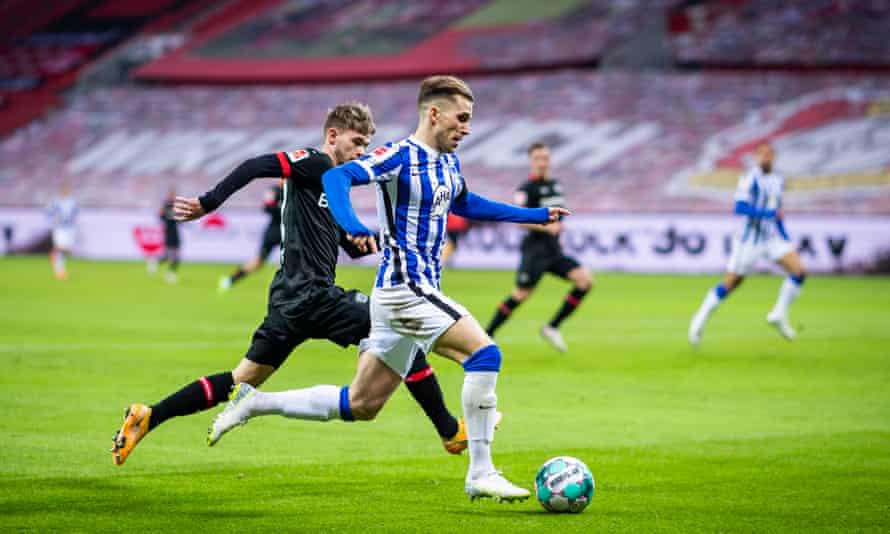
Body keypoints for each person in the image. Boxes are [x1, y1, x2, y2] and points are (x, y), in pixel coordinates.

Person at [209, 76, 568, 502]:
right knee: (485, 353)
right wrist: (353, 226)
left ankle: (253, 403)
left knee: (363, 403)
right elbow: (338, 179)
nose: (467, 128)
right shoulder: (399, 156)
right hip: (405, 288)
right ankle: (481, 472)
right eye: (462, 118)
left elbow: (467, 203)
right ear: (434, 113)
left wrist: (535, 215)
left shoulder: (448, 162)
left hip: (403, 295)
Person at [111, 102, 466, 466]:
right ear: (332, 136)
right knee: (399, 326)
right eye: (357, 142)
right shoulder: (314, 162)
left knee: (241, 380)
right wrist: (208, 202)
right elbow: (254, 165)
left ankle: (149, 415)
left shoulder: (331, 185)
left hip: (289, 299)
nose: (362, 152)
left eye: (366, 145)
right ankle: (449, 430)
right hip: (313, 295)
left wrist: (360, 242)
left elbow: (336, 237)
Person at [689, 143, 806, 345]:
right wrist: (768, 214)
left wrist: (785, 236)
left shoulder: (778, 181)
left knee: (799, 271)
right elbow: (740, 208)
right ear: (756, 158)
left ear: (774, 157)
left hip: (771, 238)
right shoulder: (749, 179)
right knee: (733, 282)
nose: (766, 158)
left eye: (769, 155)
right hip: (748, 241)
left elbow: (777, 212)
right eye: (762, 155)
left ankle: (778, 314)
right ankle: (700, 318)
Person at [484, 142, 592, 352]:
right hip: (535, 251)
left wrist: (557, 233)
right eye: (537, 158)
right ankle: (486, 335)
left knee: (585, 280)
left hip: (554, 251)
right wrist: (545, 227)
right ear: (531, 161)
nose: (542, 162)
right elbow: (518, 218)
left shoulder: (556, 185)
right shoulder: (526, 189)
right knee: (520, 295)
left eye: (545, 158)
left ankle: (552, 327)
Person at [218, 180, 283, 292]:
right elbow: (266, 208)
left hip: (289, 230)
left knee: (295, 261)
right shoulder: (274, 190)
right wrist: (280, 208)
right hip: (275, 230)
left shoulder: (294, 190)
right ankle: (231, 279)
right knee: (258, 262)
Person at [147, 186, 181, 283]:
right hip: (168, 232)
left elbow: (180, 219)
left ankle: (168, 272)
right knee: (170, 255)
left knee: (173, 255)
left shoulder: (176, 206)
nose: (174, 196)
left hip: (175, 232)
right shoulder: (166, 206)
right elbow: (161, 217)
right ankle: (167, 271)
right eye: (172, 195)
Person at [47, 183, 78, 280]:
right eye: (64, 190)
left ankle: (55, 257)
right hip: (60, 228)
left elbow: (75, 213)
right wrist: (53, 220)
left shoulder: (72, 202)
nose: (66, 192)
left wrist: (72, 220)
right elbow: (48, 212)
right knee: (60, 248)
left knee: (66, 249)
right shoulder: (56, 202)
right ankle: (60, 271)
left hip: (69, 228)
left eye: (67, 190)